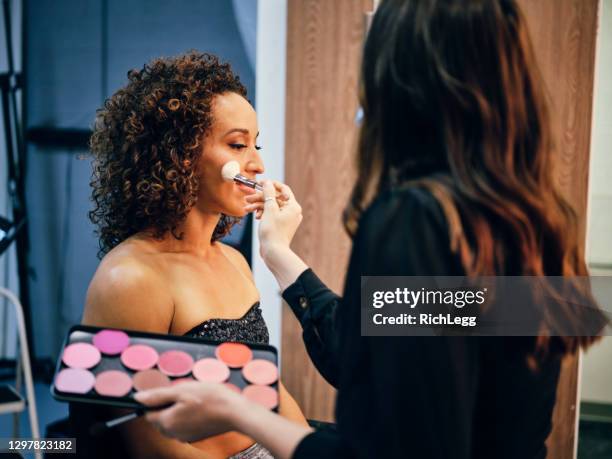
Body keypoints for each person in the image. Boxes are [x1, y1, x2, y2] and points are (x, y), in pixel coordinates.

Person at [135, 1, 608, 458]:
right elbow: (386, 348)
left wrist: (235, 409)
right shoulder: (528, 221)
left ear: (400, 84)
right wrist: (280, 255)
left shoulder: (415, 220)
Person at [73, 51, 307, 459]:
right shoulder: (130, 279)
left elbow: (271, 389)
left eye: (257, 143)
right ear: (181, 155)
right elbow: (151, 448)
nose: (257, 163)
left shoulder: (234, 261)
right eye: (238, 144)